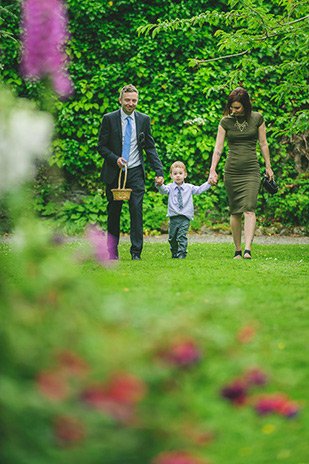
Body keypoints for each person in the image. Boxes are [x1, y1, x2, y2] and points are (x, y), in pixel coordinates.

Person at [98, 84, 164, 260]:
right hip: (115, 172)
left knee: (136, 211)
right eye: (127, 100)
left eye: (134, 100)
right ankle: (112, 252)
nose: (130, 103)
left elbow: (150, 147)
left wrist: (159, 171)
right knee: (114, 212)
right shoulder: (109, 119)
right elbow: (101, 146)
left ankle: (136, 253)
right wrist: (115, 159)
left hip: (135, 172)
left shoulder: (143, 119)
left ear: (137, 101)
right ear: (120, 100)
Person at [209, 87, 274, 259]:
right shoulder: (225, 122)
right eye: (232, 107)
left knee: (249, 209)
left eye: (237, 107)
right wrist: (212, 169)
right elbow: (218, 147)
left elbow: (263, 143)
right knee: (235, 210)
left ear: (245, 105)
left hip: (251, 170)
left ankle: (247, 250)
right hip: (232, 171)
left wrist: (268, 166)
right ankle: (237, 250)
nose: (233, 110)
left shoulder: (257, 118)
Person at [156, 161, 212, 259]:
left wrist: (208, 183)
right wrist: (159, 184)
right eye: (175, 174)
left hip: (185, 217)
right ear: (171, 175)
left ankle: (181, 254)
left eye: (180, 173)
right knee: (172, 237)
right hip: (173, 217)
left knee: (181, 236)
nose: (178, 176)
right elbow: (163, 191)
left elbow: (199, 190)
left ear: (185, 175)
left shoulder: (189, 187)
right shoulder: (169, 187)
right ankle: (174, 252)